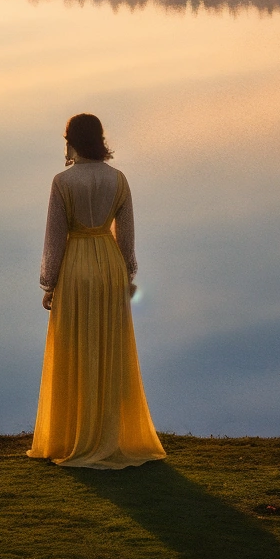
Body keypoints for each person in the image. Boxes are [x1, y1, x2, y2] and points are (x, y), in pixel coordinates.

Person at [29, 113, 165, 469]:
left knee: (75, 348)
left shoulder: (62, 182)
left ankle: (74, 434)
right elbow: (128, 236)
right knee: (109, 348)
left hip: (75, 267)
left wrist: (49, 283)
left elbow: (55, 238)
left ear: (71, 141)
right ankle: (110, 433)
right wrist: (128, 273)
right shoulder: (118, 180)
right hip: (109, 266)